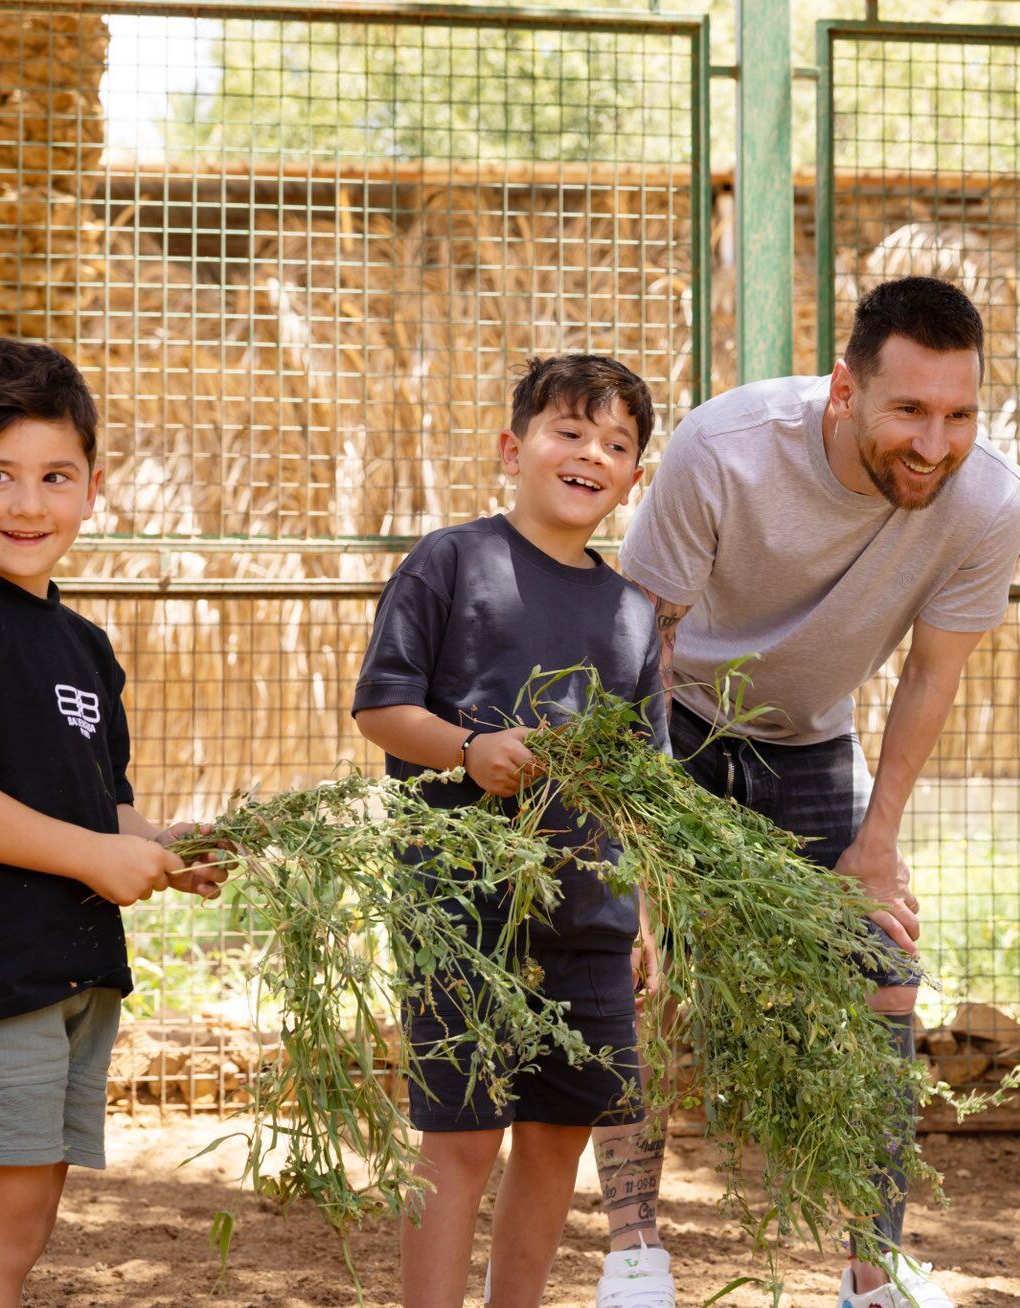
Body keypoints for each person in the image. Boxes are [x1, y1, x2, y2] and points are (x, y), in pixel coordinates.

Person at [609, 275, 1020, 1308]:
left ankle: (870, 1269)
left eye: (959, 415)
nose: (934, 444)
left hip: (807, 742)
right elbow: (637, 650)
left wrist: (876, 844)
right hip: (676, 723)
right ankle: (633, 1255)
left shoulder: (987, 503)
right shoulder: (724, 449)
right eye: (909, 412)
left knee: (884, 967)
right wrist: (638, 842)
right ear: (845, 388)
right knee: (633, 977)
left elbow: (932, 674)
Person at [0, 336, 224, 1307]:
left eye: (54, 475)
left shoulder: (82, 645)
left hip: (68, 968)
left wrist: (159, 850)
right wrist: (94, 857)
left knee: (23, 1231)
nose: (28, 504)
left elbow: (98, 800)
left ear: (92, 488)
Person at [351, 354, 671, 1308]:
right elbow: (380, 708)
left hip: (590, 918)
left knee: (556, 1137)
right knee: (457, 1141)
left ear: (634, 479)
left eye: (616, 444)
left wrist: (642, 915)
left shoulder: (630, 613)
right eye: (569, 432)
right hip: (460, 906)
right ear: (513, 447)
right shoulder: (451, 561)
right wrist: (466, 750)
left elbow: (638, 792)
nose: (590, 454)